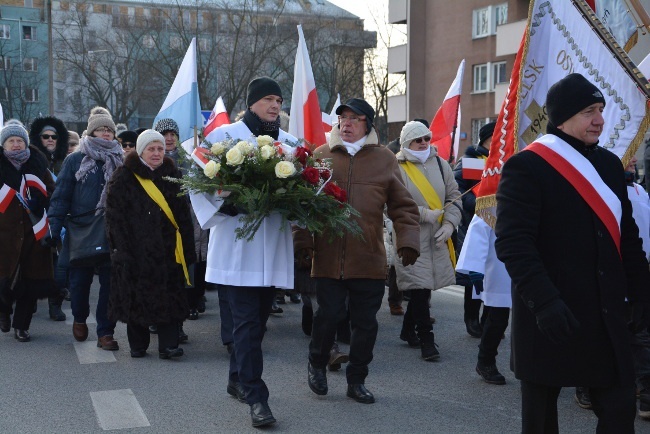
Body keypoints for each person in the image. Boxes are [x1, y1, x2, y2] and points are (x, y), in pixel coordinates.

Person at [494, 73, 650, 433]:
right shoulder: (527, 166)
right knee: (542, 420)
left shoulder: (610, 165)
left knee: (618, 410)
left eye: (601, 110)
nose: (599, 119)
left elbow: (626, 236)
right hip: (550, 312)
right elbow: (514, 243)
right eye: (589, 112)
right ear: (562, 117)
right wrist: (544, 302)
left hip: (605, 313)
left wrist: (642, 291)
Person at [295, 97, 421, 404]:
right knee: (328, 316)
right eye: (343, 118)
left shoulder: (385, 159)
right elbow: (302, 203)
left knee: (365, 323)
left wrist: (408, 241)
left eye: (354, 118)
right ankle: (317, 364)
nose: (346, 124)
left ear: (368, 124)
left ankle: (357, 379)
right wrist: (303, 242)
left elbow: (403, 206)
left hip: (368, 256)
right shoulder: (321, 156)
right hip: (328, 256)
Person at [190, 76, 296, 427]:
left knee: (257, 324)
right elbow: (197, 182)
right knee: (248, 324)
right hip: (237, 247)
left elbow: (305, 191)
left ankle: (237, 378)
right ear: (251, 103)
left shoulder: (291, 146)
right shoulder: (223, 138)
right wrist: (224, 206)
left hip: (272, 248)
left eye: (279, 100)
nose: (275, 105)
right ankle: (257, 396)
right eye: (268, 99)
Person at [105, 130, 195, 359]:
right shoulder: (124, 176)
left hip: (168, 250)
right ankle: (138, 345)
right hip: (135, 249)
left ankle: (168, 345)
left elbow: (183, 215)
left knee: (170, 296)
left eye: (160, 149)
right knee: (137, 296)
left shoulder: (172, 175)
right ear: (141, 150)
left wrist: (186, 248)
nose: (156, 153)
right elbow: (114, 216)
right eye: (151, 149)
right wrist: (121, 250)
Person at [48, 107, 124, 351]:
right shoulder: (75, 160)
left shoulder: (121, 159)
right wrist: (53, 228)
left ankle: (105, 333)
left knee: (110, 285)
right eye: (101, 129)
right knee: (79, 283)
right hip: (81, 230)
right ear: (91, 132)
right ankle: (80, 318)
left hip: (112, 231)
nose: (106, 133)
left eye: (110, 130)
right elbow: (60, 197)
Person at [393, 121, 461, 361]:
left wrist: (450, 224)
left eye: (426, 138)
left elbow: (454, 198)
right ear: (406, 143)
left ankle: (407, 330)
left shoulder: (442, 165)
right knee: (420, 289)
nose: (423, 143)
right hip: (409, 235)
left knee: (424, 287)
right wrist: (422, 213)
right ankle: (427, 341)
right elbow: (389, 204)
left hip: (438, 236)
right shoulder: (395, 166)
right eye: (417, 139)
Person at [0, 122, 57, 341]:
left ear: (26, 143)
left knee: (30, 282)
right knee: (4, 279)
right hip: (4, 234)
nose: (16, 145)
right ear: (4, 145)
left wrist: (41, 200)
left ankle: (21, 326)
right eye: (11, 141)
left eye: (20, 141)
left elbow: (53, 192)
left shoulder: (37, 166)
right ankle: (3, 312)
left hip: (33, 233)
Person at [456, 214, 511, 385]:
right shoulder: (494, 193)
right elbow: (479, 229)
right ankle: (486, 360)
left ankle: (527, 363)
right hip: (501, 261)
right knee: (498, 316)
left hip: (531, 258)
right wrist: (474, 267)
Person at [453, 121, 494, 338]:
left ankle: (490, 319)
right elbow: (459, 190)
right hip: (475, 224)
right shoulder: (472, 162)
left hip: (499, 228)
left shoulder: (506, 161)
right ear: (486, 139)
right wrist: (477, 203)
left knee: (495, 276)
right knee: (476, 276)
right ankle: (472, 318)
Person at [29, 115, 71, 321]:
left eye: (54, 136)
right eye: (45, 136)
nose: (50, 139)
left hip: (61, 220)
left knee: (59, 265)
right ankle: (31, 301)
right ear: (39, 138)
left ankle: (56, 303)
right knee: (35, 262)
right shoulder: (32, 161)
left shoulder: (66, 161)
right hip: (36, 218)